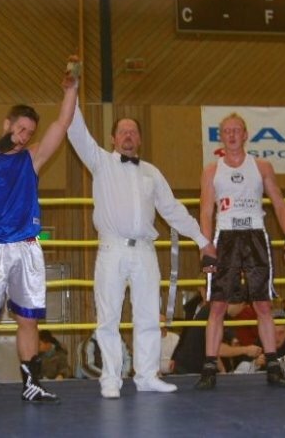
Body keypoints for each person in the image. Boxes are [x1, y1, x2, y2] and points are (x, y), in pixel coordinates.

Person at [67, 101, 216, 399]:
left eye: (133, 132)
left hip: (145, 251)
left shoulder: (151, 173)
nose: (128, 135)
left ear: (140, 140)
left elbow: (172, 210)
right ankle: (110, 378)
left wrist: (203, 241)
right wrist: (72, 94)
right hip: (112, 249)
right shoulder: (101, 162)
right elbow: (77, 132)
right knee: (108, 317)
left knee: (149, 316)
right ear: (113, 139)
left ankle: (147, 375)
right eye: (123, 131)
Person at [0, 58, 79, 411]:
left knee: (28, 319)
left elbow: (62, 124)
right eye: (20, 129)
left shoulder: (32, 159)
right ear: (7, 124)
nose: (24, 136)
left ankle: (32, 385)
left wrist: (71, 90)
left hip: (26, 248)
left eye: (28, 132)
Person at [196, 112, 285, 390]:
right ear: (221, 136)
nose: (231, 135)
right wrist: (206, 245)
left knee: (263, 304)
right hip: (224, 237)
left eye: (236, 130)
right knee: (218, 304)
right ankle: (209, 368)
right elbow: (205, 211)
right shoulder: (211, 170)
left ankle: (273, 366)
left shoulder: (261, 166)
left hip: (255, 235)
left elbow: (279, 202)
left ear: (245, 135)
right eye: (226, 131)